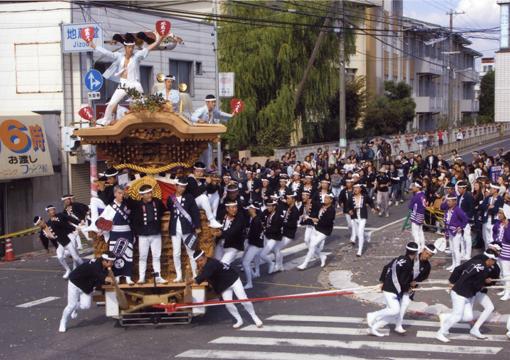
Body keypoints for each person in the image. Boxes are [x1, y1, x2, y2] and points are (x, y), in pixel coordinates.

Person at [86, 31, 164, 126]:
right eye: (129, 47)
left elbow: (148, 48)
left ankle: (152, 119)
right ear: (125, 47)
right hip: (123, 84)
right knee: (111, 103)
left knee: (142, 103)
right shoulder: (119, 56)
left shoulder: (137, 56)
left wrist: (159, 40)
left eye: (132, 47)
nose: (131, 49)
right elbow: (107, 53)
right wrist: (95, 46)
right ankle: (105, 121)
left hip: (134, 84)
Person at [188, 249, 263, 329]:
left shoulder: (211, 263)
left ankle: (255, 317)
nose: (199, 263)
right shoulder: (206, 265)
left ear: (205, 257)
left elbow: (206, 274)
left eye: (201, 260)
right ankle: (239, 319)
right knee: (228, 304)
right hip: (224, 286)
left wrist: (194, 280)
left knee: (243, 299)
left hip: (233, 280)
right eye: (197, 262)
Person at [436, 249, 498, 342]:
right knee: (457, 316)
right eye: (493, 262)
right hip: (459, 294)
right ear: (490, 259)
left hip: (465, 294)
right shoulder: (484, 270)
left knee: (468, 317)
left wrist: (452, 281)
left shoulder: (474, 261)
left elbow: (457, 269)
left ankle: (446, 317)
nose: (493, 264)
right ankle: (440, 333)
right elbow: (477, 286)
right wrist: (485, 282)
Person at [366, 242, 418, 337]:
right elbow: (403, 281)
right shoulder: (409, 265)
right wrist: (409, 289)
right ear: (415, 253)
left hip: (388, 286)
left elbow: (386, 267)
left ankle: (373, 328)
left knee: (391, 311)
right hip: (391, 290)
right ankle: (373, 315)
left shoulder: (399, 258)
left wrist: (382, 281)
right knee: (395, 310)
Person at [58, 251, 115, 332]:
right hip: (75, 283)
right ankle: (63, 321)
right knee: (71, 305)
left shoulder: (104, 266)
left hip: (86, 287)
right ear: (104, 261)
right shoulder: (95, 266)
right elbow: (103, 277)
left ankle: (75, 308)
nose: (112, 264)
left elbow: (101, 280)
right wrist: (112, 280)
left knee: (86, 306)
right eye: (111, 262)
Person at [126, 184, 167, 284]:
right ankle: (141, 278)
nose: (149, 195)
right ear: (142, 195)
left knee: (156, 256)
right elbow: (129, 203)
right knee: (143, 257)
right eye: (147, 193)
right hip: (143, 235)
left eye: (150, 193)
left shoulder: (157, 202)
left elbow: (163, 210)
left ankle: (158, 277)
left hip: (156, 234)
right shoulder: (137, 205)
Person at [97, 185, 134, 285]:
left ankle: (128, 276)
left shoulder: (127, 205)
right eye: (119, 193)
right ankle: (117, 276)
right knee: (115, 255)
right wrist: (102, 229)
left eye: (123, 193)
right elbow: (102, 220)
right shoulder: (110, 207)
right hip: (115, 233)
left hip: (127, 232)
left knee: (128, 254)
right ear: (115, 194)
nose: (121, 195)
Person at [395, 243, 437, 333]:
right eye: (426, 253)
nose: (427, 256)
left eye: (430, 256)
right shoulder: (412, 257)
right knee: (394, 306)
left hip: (410, 288)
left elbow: (424, 277)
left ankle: (398, 324)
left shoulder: (427, 266)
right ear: (423, 250)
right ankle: (379, 318)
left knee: (405, 304)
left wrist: (417, 281)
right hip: (399, 284)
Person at [166, 177, 201, 282]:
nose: (183, 189)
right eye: (181, 186)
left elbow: (195, 212)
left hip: (187, 228)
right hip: (175, 228)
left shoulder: (189, 197)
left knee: (191, 251)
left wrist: (197, 226)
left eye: (184, 187)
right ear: (175, 186)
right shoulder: (170, 198)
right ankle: (179, 276)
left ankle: (195, 274)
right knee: (176, 253)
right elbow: (169, 209)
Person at [35, 209, 83, 279]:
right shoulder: (42, 233)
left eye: (40, 223)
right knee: (60, 256)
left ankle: (85, 267)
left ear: (42, 220)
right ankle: (68, 270)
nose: (40, 225)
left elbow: (64, 225)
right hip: (59, 245)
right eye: (38, 225)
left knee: (76, 257)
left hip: (66, 240)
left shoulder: (52, 222)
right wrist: (46, 248)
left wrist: (75, 228)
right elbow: (44, 241)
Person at [298, 193, 336, 270]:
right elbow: (311, 206)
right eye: (324, 198)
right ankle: (322, 256)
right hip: (316, 228)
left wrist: (315, 220)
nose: (325, 199)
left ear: (331, 200)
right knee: (311, 245)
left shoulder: (332, 210)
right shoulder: (321, 205)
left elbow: (327, 222)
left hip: (324, 231)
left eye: (327, 198)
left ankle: (305, 264)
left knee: (312, 245)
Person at [187, 161, 223, 228]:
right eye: (197, 171)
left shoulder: (202, 180)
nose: (199, 174)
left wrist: (214, 184)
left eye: (201, 172)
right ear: (194, 171)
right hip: (193, 203)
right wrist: (206, 183)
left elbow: (210, 191)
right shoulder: (190, 179)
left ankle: (214, 217)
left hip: (203, 202)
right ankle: (211, 220)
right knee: (203, 197)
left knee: (216, 195)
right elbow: (195, 193)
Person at [348, 184, 377, 257]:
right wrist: (349, 211)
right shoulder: (351, 197)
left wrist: (373, 208)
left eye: (357, 188)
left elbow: (371, 202)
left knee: (360, 234)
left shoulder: (365, 196)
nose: (355, 189)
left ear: (360, 189)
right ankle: (367, 234)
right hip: (355, 217)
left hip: (363, 217)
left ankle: (359, 251)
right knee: (358, 233)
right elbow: (347, 206)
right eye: (354, 188)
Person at [441, 195, 469, 271]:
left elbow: (465, 219)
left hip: (456, 232)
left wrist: (461, 227)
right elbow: (442, 207)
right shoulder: (447, 208)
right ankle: (453, 264)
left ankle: (457, 267)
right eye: (447, 201)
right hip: (449, 231)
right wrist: (444, 200)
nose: (448, 203)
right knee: (452, 249)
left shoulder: (458, 210)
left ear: (454, 202)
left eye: (449, 201)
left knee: (456, 249)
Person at [273, 192, 300, 271]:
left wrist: (282, 223)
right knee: (276, 249)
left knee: (276, 249)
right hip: (284, 232)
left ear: (293, 200)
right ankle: (280, 266)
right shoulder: (289, 208)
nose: (287, 200)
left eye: (288, 198)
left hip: (289, 234)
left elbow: (293, 224)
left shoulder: (295, 210)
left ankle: (278, 266)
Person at [88, 167, 118, 232]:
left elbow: (107, 201)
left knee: (93, 200)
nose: (108, 180)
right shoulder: (110, 184)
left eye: (110, 178)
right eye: (107, 179)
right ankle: (94, 223)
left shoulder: (116, 187)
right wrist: (101, 188)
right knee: (93, 201)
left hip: (113, 208)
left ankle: (94, 224)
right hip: (108, 206)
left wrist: (102, 190)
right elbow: (101, 195)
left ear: (115, 178)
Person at [242, 203, 265, 289]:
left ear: (254, 209)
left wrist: (246, 238)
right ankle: (253, 275)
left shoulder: (256, 221)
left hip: (255, 245)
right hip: (255, 244)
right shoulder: (255, 219)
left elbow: (254, 235)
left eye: (250, 208)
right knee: (244, 261)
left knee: (245, 263)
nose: (248, 210)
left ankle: (249, 283)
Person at [259, 199, 285, 274]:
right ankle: (280, 266)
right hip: (267, 236)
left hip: (274, 237)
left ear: (274, 207)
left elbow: (275, 229)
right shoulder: (267, 212)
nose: (268, 207)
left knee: (262, 254)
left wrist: (265, 229)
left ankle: (271, 263)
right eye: (267, 206)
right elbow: (261, 218)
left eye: (270, 206)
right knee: (276, 250)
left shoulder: (278, 216)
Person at [481, 184, 504, 249]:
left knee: (492, 238)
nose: (490, 190)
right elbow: (482, 206)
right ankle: (487, 253)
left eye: (491, 188)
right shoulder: (488, 197)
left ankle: (492, 254)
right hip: (486, 219)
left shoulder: (500, 199)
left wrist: (490, 207)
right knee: (485, 238)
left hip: (494, 221)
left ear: (496, 190)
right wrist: (489, 206)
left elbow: (496, 210)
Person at [457, 181, 475, 260]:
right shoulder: (459, 196)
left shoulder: (469, 196)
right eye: (458, 188)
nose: (458, 189)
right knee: (460, 237)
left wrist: (466, 217)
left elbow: (471, 209)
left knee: (467, 237)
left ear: (464, 188)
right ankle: (462, 252)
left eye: (460, 188)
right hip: (459, 219)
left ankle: (468, 254)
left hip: (466, 220)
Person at [408, 181, 427, 250]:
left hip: (416, 215)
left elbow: (410, 206)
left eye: (414, 186)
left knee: (415, 233)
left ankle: (418, 247)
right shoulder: (423, 195)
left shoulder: (416, 197)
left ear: (418, 188)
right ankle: (422, 245)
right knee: (420, 231)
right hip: (422, 215)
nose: (412, 188)